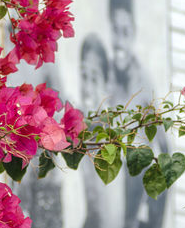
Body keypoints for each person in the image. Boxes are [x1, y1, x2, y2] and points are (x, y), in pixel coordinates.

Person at [108, 0, 167, 228]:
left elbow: (165, 149)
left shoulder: (144, 81)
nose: (119, 40)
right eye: (115, 30)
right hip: (111, 193)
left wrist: (154, 217)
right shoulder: (105, 76)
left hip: (137, 197)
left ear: (134, 32)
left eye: (126, 32)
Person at [80, 33, 110, 228]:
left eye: (94, 78)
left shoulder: (110, 135)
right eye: (84, 76)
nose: (87, 87)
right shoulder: (76, 129)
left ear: (107, 85)